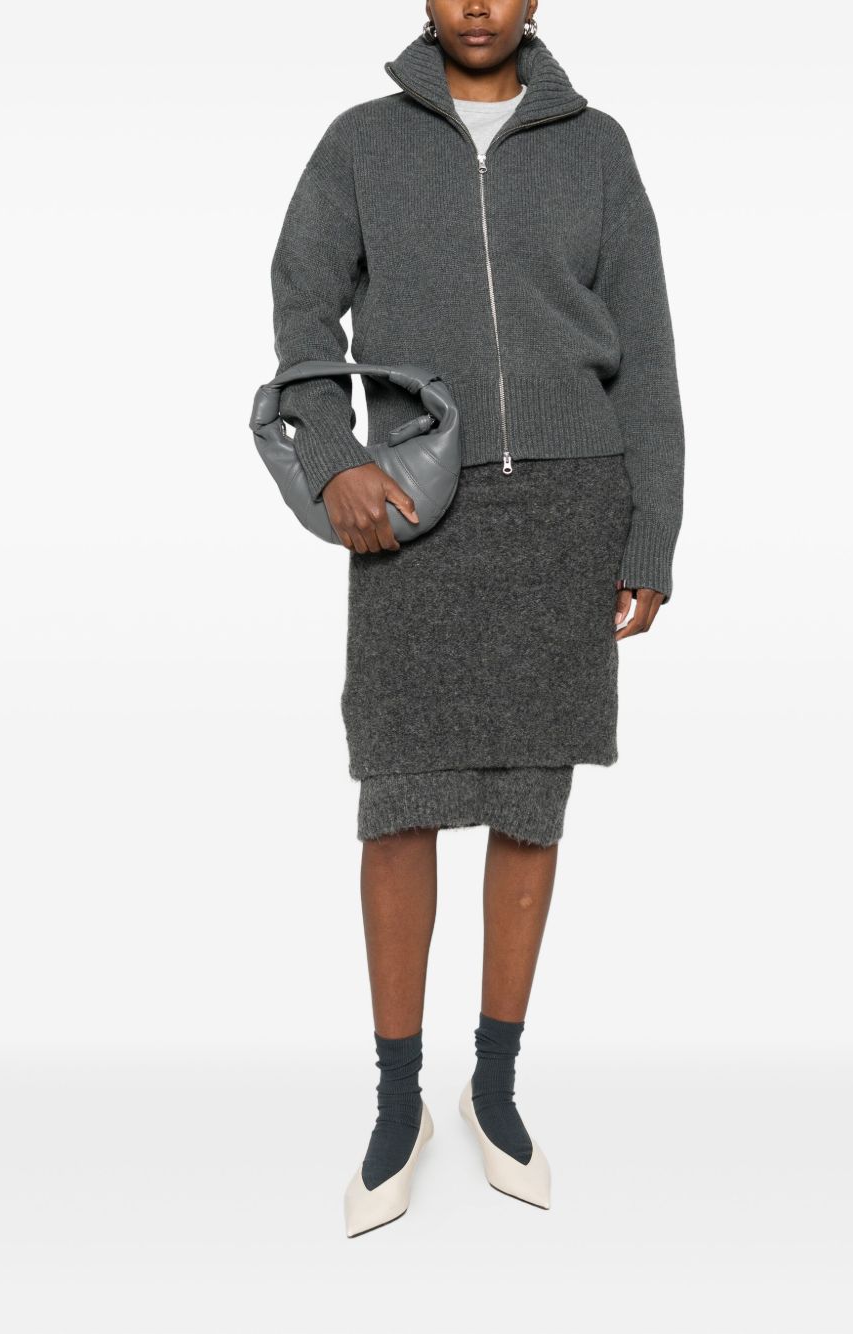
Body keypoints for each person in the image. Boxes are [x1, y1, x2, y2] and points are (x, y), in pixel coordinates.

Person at [268, 0, 685, 1237]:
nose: (479, 5)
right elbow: (301, 305)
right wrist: (334, 454)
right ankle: (397, 1100)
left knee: (528, 803)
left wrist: (651, 533)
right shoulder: (361, 141)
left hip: (568, 505)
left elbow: (649, 352)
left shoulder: (596, 147)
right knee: (397, 800)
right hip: (415, 505)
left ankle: (493, 1083)